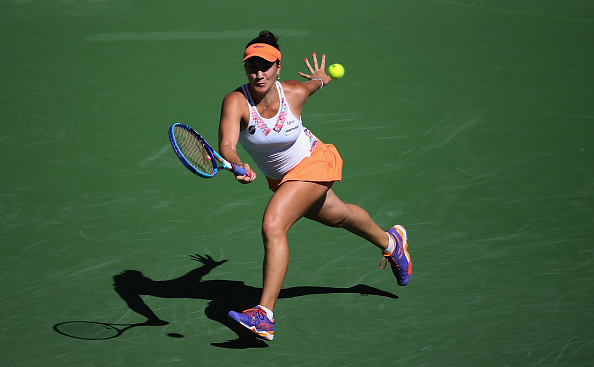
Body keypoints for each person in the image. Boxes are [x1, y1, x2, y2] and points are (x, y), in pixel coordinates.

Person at [220, 30, 411, 341]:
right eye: (252, 66)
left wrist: (323, 78)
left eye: (266, 66)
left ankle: (264, 314)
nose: (259, 73)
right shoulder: (235, 101)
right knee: (341, 216)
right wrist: (237, 165)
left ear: (278, 67)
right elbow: (227, 145)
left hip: (314, 162)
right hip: (282, 179)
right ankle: (392, 243)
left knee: (273, 225)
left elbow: (314, 84)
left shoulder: (293, 93)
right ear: (245, 69)